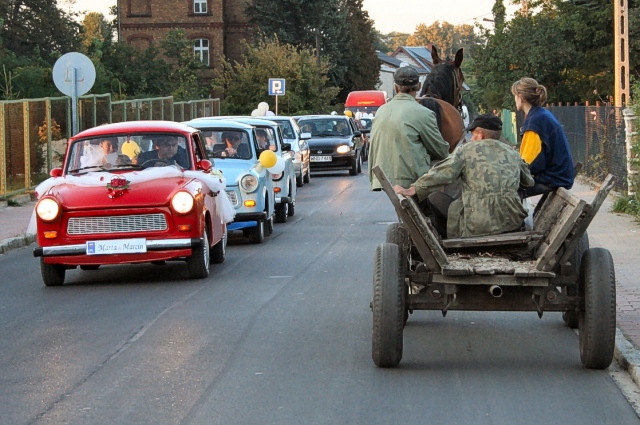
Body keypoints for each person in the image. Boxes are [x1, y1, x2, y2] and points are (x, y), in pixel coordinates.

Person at [393, 114, 534, 239]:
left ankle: (446, 238)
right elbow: (529, 182)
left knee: (434, 197)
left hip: (477, 225)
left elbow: (442, 173)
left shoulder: (466, 151)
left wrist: (414, 189)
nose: (471, 139)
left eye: (472, 135)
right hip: (512, 222)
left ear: (480, 134)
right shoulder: (513, 153)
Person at [368, 65, 450, 191]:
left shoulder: (381, 111)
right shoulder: (423, 113)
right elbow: (441, 151)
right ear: (419, 86)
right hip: (412, 180)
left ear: (395, 87)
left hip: (383, 179)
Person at [512, 77, 575, 198]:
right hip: (559, 175)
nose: (515, 99)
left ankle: (517, 217)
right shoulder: (540, 115)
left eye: (515, 95)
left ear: (521, 97)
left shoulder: (535, 121)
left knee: (504, 191)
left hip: (554, 178)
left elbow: (528, 164)